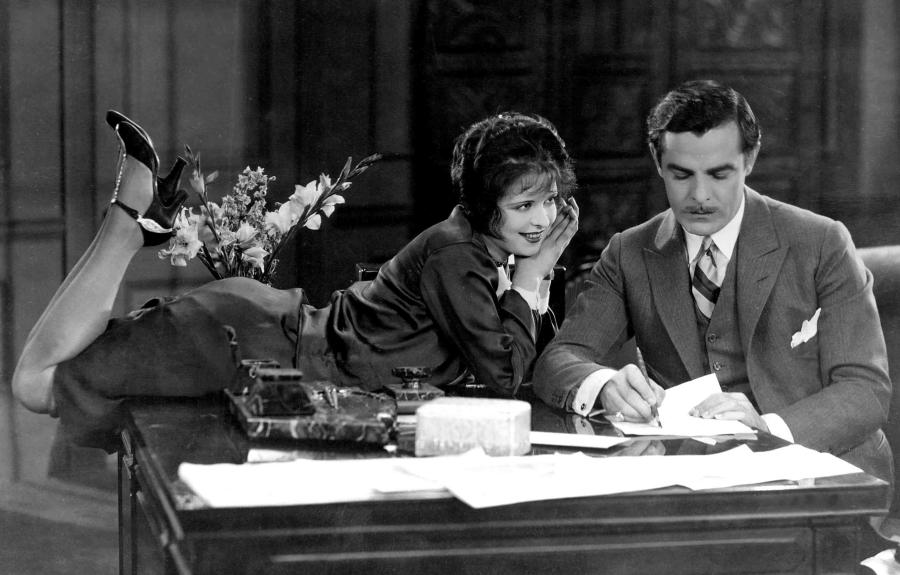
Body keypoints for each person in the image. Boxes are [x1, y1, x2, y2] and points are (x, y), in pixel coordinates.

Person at [12, 110, 579, 450]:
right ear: (485, 203)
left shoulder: (473, 250)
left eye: (550, 200)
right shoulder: (457, 254)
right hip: (246, 340)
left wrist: (530, 277)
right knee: (35, 386)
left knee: (48, 378)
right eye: (524, 204)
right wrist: (534, 276)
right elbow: (506, 375)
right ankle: (130, 217)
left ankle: (141, 219)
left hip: (263, 335)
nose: (543, 219)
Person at [534, 79, 892, 484]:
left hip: (824, 476)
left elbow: (865, 390)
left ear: (750, 160)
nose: (699, 195)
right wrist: (602, 384)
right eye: (681, 175)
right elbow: (557, 361)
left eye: (720, 174)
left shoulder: (822, 242)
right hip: (691, 486)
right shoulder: (629, 252)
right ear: (657, 162)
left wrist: (768, 426)